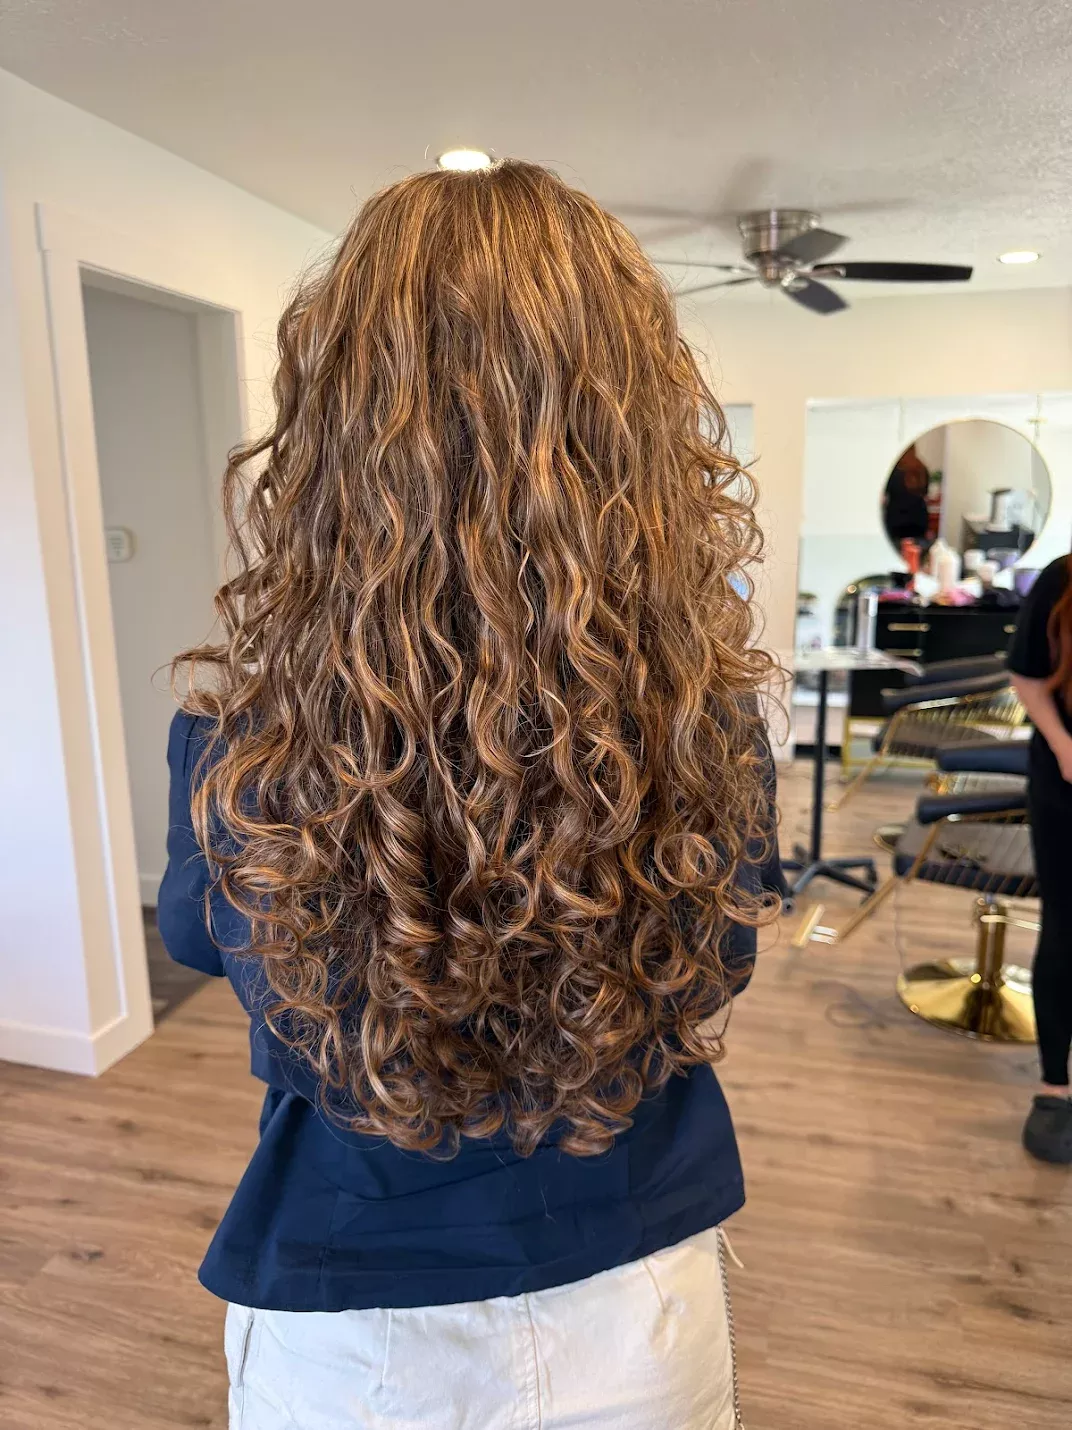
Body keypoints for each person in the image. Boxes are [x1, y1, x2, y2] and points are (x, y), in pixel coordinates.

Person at [159, 159, 783, 1430]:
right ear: (630, 428)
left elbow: (199, 939)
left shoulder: (245, 747)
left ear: (335, 426)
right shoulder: (699, 728)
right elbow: (714, 963)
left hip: (355, 1324)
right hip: (632, 1298)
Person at [1009, 552, 1072, 1163]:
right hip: (1065, 784)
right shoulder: (1062, 580)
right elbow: (1026, 675)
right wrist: (1064, 745)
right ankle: (1055, 1085)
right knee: (1065, 929)